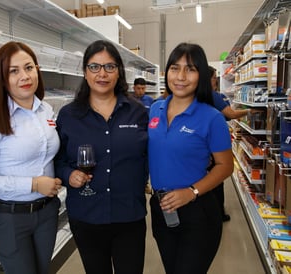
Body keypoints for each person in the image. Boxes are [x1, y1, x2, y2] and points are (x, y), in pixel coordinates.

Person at [0, 41, 62, 274]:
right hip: (11, 219)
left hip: (47, 212)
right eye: (13, 71)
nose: (24, 76)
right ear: (2, 78)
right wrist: (33, 184)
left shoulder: (46, 110)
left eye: (29, 68)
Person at [55, 40, 148, 274]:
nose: (102, 74)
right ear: (85, 73)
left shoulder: (138, 113)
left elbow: (155, 153)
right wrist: (69, 174)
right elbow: (57, 160)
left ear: (119, 72)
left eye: (110, 67)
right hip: (86, 215)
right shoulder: (69, 115)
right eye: (94, 67)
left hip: (129, 215)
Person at [148, 42, 234, 274]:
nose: (181, 76)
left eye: (191, 69)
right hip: (161, 209)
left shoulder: (211, 117)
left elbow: (226, 166)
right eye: (175, 68)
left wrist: (191, 192)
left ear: (201, 75)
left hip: (198, 212)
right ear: (167, 73)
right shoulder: (154, 110)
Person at [209, 65, 231, 222]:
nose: (215, 80)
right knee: (216, 181)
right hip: (213, 145)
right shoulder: (214, 96)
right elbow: (230, 114)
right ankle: (218, 212)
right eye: (214, 77)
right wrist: (249, 112)